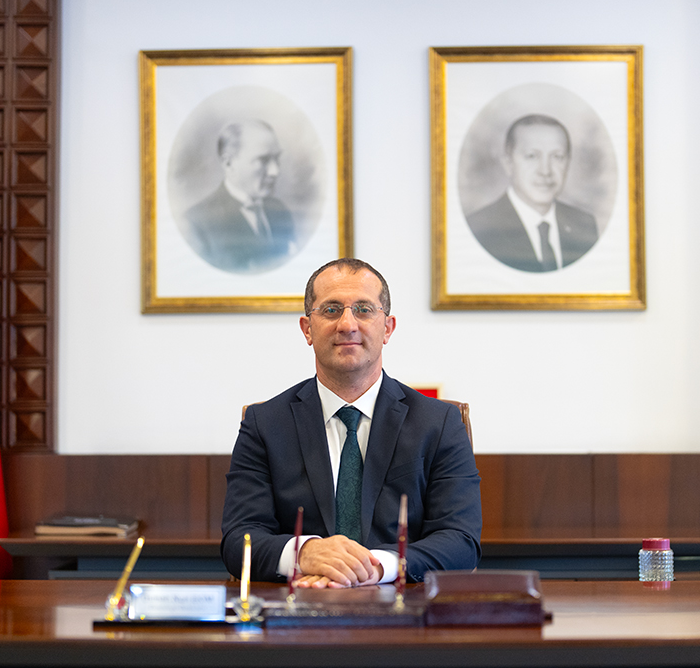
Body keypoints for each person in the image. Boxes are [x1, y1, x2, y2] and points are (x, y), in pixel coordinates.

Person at [221, 258, 481, 587]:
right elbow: (239, 538)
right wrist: (304, 553)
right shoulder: (265, 424)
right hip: (298, 607)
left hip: (404, 608)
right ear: (307, 329)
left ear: (387, 328)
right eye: (331, 310)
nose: (347, 324)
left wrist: (376, 566)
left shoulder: (440, 423)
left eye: (364, 309)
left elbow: (460, 541)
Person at [466, 113, 599, 272]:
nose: (545, 171)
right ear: (508, 164)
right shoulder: (479, 229)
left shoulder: (585, 225)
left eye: (557, 157)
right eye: (531, 156)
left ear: (568, 163)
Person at [182, 119, 296, 273]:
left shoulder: (280, 211)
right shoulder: (196, 223)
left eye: (276, 158)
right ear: (229, 164)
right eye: (263, 160)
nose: (275, 171)